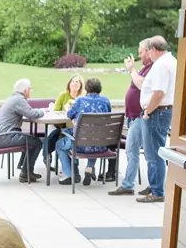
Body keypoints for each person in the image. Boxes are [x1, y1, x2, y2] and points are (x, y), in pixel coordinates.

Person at [137, 35, 177, 204]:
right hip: (162, 112)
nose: (146, 55)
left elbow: (159, 93)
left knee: (154, 153)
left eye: (147, 51)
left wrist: (147, 111)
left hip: (156, 113)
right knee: (154, 151)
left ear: (153, 50)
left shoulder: (161, 65)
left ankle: (157, 191)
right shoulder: (171, 60)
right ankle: (155, 184)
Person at [110, 39, 150, 198]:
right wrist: (132, 70)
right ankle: (131, 184)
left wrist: (132, 69)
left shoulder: (152, 69)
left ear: (149, 50)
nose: (140, 55)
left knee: (132, 151)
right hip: (133, 116)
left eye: (141, 52)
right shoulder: (146, 68)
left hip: (140, 116)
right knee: (132, 151)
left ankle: (128, 185)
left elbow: (141, 85)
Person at [56, 76, 112, 186]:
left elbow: (69, 115)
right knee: (95, 136)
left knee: (59, 144)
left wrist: (68, 108)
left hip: (80, 145)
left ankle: (68, 174)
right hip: (101, 145)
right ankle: (89, 168)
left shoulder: (80, 101)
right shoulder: (105, 101)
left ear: (86, 88)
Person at [0, 80, 46, 183]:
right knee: (37, 142)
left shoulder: (12, 98)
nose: (30, 91)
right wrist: (44, 111)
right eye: (30, 89)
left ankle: (24, 168)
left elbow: (28, 112)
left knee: (30, 139)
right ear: (25, 90)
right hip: (4, 137)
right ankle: (25, 173)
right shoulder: (19, 100)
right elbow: (32, 114)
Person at [48, 74, 84, 162]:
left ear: (81, 85)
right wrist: (66, 109)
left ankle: (72, 165)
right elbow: (55, 111)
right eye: (73, 81)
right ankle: (47, 154)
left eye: (77, 82)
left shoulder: (82, 98)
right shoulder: (63, 95)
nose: (75, 84)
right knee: (53, 132)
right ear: (69, 84)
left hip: (77, 127)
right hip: (62, 124)